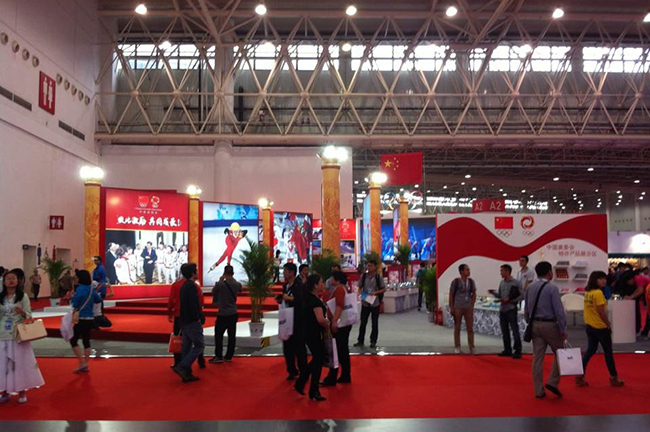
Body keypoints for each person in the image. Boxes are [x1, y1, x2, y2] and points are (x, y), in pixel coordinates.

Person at [0, 269, 45, 404]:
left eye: (13, 278)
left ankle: (22, 392)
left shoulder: (22, 297)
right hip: (2, 333)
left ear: (18, 281)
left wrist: (21, 312)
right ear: (4, 282)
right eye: (8, 278)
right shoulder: (1, 297)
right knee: (3, 363)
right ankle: (4, 392)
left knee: (19, 362)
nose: (11, 280)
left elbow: (29, 316)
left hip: (18, 333)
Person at [524, 261, 567, 399]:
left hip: (535, 325)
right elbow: (559, 311)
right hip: (550, 325)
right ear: (549, 272)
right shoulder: (552, 288)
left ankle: (538, 390)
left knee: (537, 358)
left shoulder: (530, 287)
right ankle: (552, 381)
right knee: (560, 353)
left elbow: (526, 309)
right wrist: (563, 328)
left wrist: (529, 322)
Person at [575, 271, 624, 387]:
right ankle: (613, 377)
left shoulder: (588, 292)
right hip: (601, 327)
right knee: (608, 353)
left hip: (590, 326)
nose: (604, 281)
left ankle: (579, 375)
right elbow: (601, 312)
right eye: (600, 278)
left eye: (604, 278)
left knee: (590, 350)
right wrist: (608, 324)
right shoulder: (598, 293)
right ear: (594, 280)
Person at [294, 274, 329, 401]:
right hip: (314, 334)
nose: (322, 284)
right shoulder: (315, 301)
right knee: (318, 359)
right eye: (321, 282)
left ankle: (307, 385)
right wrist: (328, 326)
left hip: (307, 333)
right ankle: (310, 387)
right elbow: (320, 319)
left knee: (317, 360)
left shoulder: (307, 297)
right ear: (315, 285)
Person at [172, 263, 204, 382]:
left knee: (186, 346)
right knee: (199, 345)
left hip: (184, 320)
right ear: (192, 273)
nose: (197, 272)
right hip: (191, 321)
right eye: (196, 270)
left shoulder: (184, 286)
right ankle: (183, 367)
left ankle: (186, 372)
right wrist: (198, 317)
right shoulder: (191, 286)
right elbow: (194, 305)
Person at [321, 271, 352, 386]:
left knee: (336, 349)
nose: (330, 279)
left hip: (339, 324)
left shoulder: (339, 289)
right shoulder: (344, 288)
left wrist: (334, 321)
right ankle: (345, 375)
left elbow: (339, 305)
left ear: (337, 279)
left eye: (332, 277)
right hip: (344, 323)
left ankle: (332, 377)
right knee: (342, 349)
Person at [69, 270, 103, 373]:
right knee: (86, 340)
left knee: (73, 340)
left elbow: (75, 303)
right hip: (90, 318)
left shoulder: (80, 289)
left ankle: (82, 362)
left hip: (81, 318)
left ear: (80, 278)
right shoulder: (91, 289)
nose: (75, 279)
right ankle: (86, 364)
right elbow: (98, 300)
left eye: (76, 277)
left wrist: (72, 296)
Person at [277, 263, 307, 380]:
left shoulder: (299, 285)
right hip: (287, 319)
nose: (284, 273)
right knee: (287, 347)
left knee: (299, 348)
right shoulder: (286, 286)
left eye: (285, 271)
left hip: (297, 320)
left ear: (292, 272)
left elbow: (301, 302)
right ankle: (291, 370)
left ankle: (303, 371)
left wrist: (288, 298)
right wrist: (281, 299)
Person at [490, 264, 523, 359]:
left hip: (511, 309)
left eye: (502, 271)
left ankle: (518, 351)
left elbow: (522, 295)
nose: (501, 273)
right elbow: (500, 295)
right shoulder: (502, 283)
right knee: (504, 331)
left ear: (508, 271)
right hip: (503, 309)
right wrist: (494, 293)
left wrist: (510, 300)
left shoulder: (516, 283)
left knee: (514, 330)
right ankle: (507, 349)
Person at [210, 265, 242, 363]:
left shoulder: (220, 284)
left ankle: (219, 356)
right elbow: (240, 290)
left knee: (218, 335)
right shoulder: (237, 284)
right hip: (233, 312)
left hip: (223, 313)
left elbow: (213, 291)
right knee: (231, 335)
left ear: (224, 273)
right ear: (233, 273)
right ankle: (229, 356)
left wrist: (220, 280)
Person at [354, 259, 386, 349]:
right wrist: (360, 293)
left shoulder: (378, 277)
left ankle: (373, 341)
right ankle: (360, 340)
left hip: (375, 302)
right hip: (365, 302)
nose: (369, 267)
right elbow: (360, 287)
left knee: (374, 323)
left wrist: (375, 292)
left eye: (371, 265)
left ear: (375, 267)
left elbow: (384, 289)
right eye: (368, 265)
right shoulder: (363, 276)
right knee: (363, 322)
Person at [449, 264, 477, 354]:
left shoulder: (471, 282)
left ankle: (471, 346)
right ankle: (457, 346)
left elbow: (474, 293)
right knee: (457, 327)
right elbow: (451, 294)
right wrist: (451, 307)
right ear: (461, 271)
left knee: (470, 328)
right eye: (467, 270)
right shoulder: (455, 282)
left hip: (468, 307)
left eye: (469, 270)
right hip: (458, 307)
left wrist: (472, 304)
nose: (469, 271)